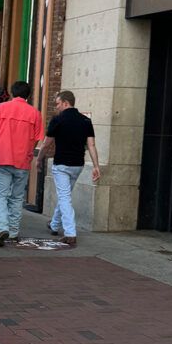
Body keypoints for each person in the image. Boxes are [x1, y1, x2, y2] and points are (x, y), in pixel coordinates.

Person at [36, 90, 101, 247]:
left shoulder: (57, 120)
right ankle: (54, 224)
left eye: (58, 103)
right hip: (78, 165)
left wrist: (39, 159)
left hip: (62, 165)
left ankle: (70, 233)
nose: (56, 107)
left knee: (65, 197)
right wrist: (96, 166)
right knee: (65, 195)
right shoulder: (85, 121)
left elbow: (46, 143)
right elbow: (91, 145)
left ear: (66, 103)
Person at [0, 80, 44, 246]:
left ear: (12, 93)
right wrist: (28, 152)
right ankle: (13, 231)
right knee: (17, 197)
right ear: (29, 95)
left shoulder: (1, 108)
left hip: (3, 158)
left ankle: (2, 227)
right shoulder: (35, 113)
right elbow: (36, 139)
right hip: (22, 161)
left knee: (0, 195)